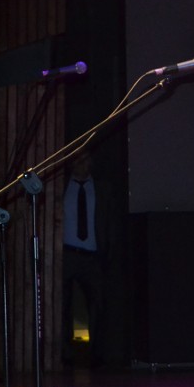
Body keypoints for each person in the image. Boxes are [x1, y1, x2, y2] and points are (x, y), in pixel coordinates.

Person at [61, 153, 115, 368]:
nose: (81, 165)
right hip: (67, 254)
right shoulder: (63, 188)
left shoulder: (102, 189)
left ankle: (96, 354)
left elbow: (109, 222)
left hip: (92, 255)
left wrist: (108, 252)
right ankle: (65, 353)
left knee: (97, 305)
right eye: (76, 161)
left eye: (85, 160)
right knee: (63, 306)